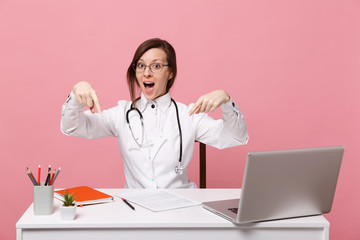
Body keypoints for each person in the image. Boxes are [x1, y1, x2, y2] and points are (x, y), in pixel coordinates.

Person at [61, 38, 248, 188]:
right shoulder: (121, 114)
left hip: (182, 209)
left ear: (171, 73)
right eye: (141, 66)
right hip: (136, 212)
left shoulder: (189, 115)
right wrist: (77, 92)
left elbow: (236, 137)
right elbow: (73, 128)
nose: (147, 73)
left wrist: (226, 101)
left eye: (156, 66)